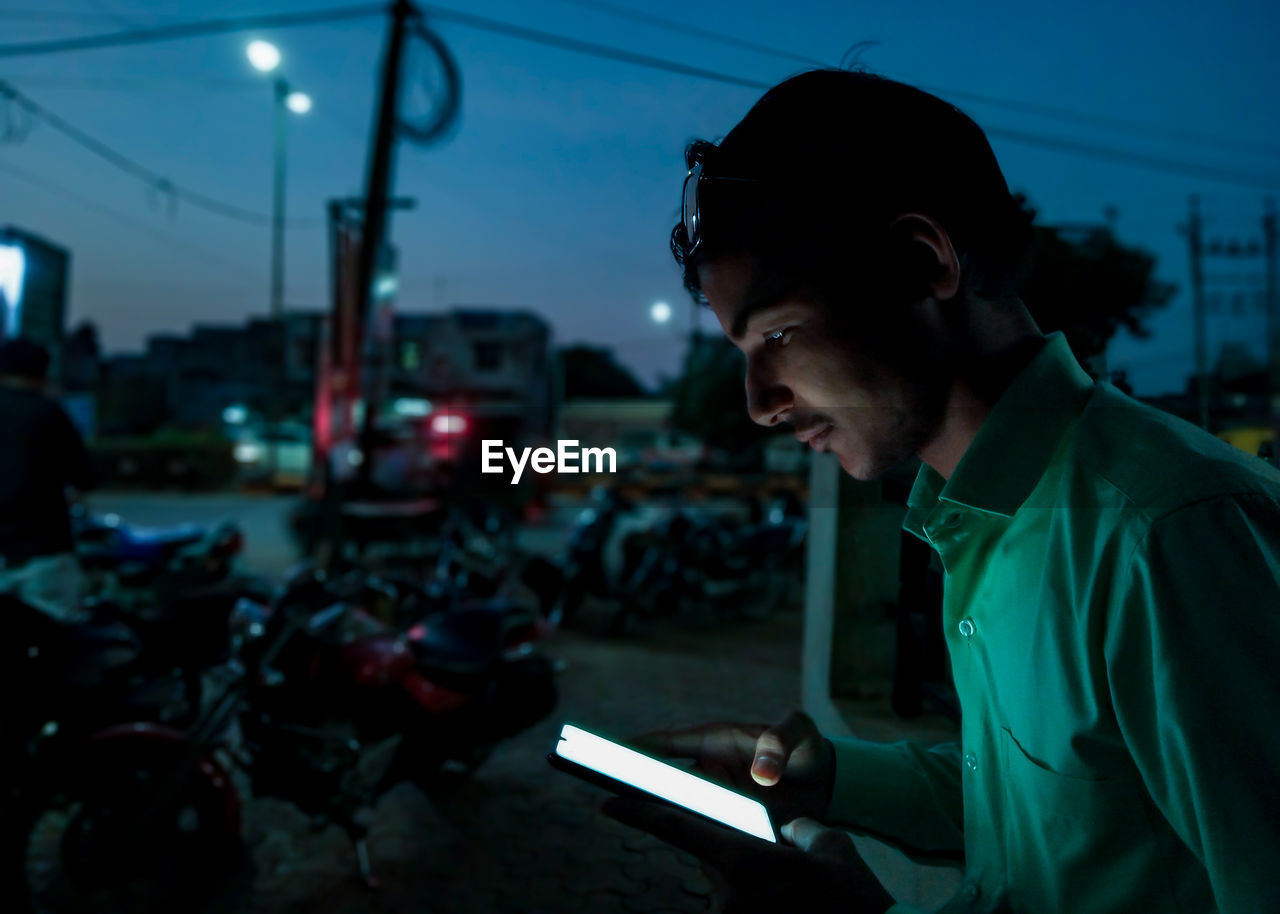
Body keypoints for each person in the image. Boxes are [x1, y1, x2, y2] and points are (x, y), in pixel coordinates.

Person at [602, 69, 1280, 913]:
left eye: (777, 334)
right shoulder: (975, 517)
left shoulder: (1167, 533)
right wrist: (829, 778)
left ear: (922, 262)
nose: (759, 404)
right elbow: (1051, 816)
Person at [0, 337, 95, 623]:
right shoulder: (48, 413)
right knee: (59, 643)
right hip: (43, 552)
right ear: (43, 373)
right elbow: (85, 476)